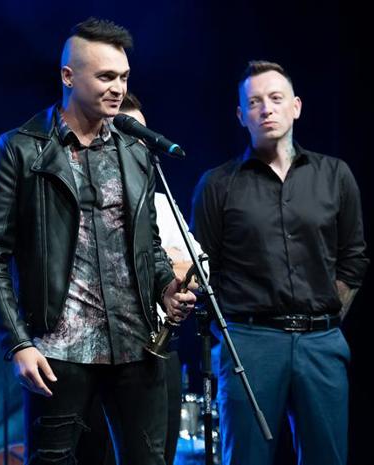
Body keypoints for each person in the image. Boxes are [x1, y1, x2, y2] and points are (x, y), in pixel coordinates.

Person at [0, 18, 196, 465]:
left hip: (135, 346)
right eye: (106, 76)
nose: (118, 88)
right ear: (68, 76)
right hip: (59, 350)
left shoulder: (134, 150)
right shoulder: (20, 149)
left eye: (124, 77)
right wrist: (17, 343)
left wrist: (164, 288)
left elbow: (149, 244)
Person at [191, 60, 368, 465]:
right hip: (250, 342)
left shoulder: (335, 175)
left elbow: (354, 259)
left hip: (321, 342)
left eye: (275, 98)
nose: (266, 109)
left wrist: (326, 318)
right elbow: (204, 270)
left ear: (296, 107)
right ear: (241, 115)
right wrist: (233, 337)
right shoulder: (217, 184)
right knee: (246, 458)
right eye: (254, 102)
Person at [75, 92, 206, 465]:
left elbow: (200, 271)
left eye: (142, 136)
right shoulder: (83, 197)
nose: (139, 146)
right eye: (127, 135)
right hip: (93, 353)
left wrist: (155, 268)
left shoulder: (159, 202)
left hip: (155, 349)